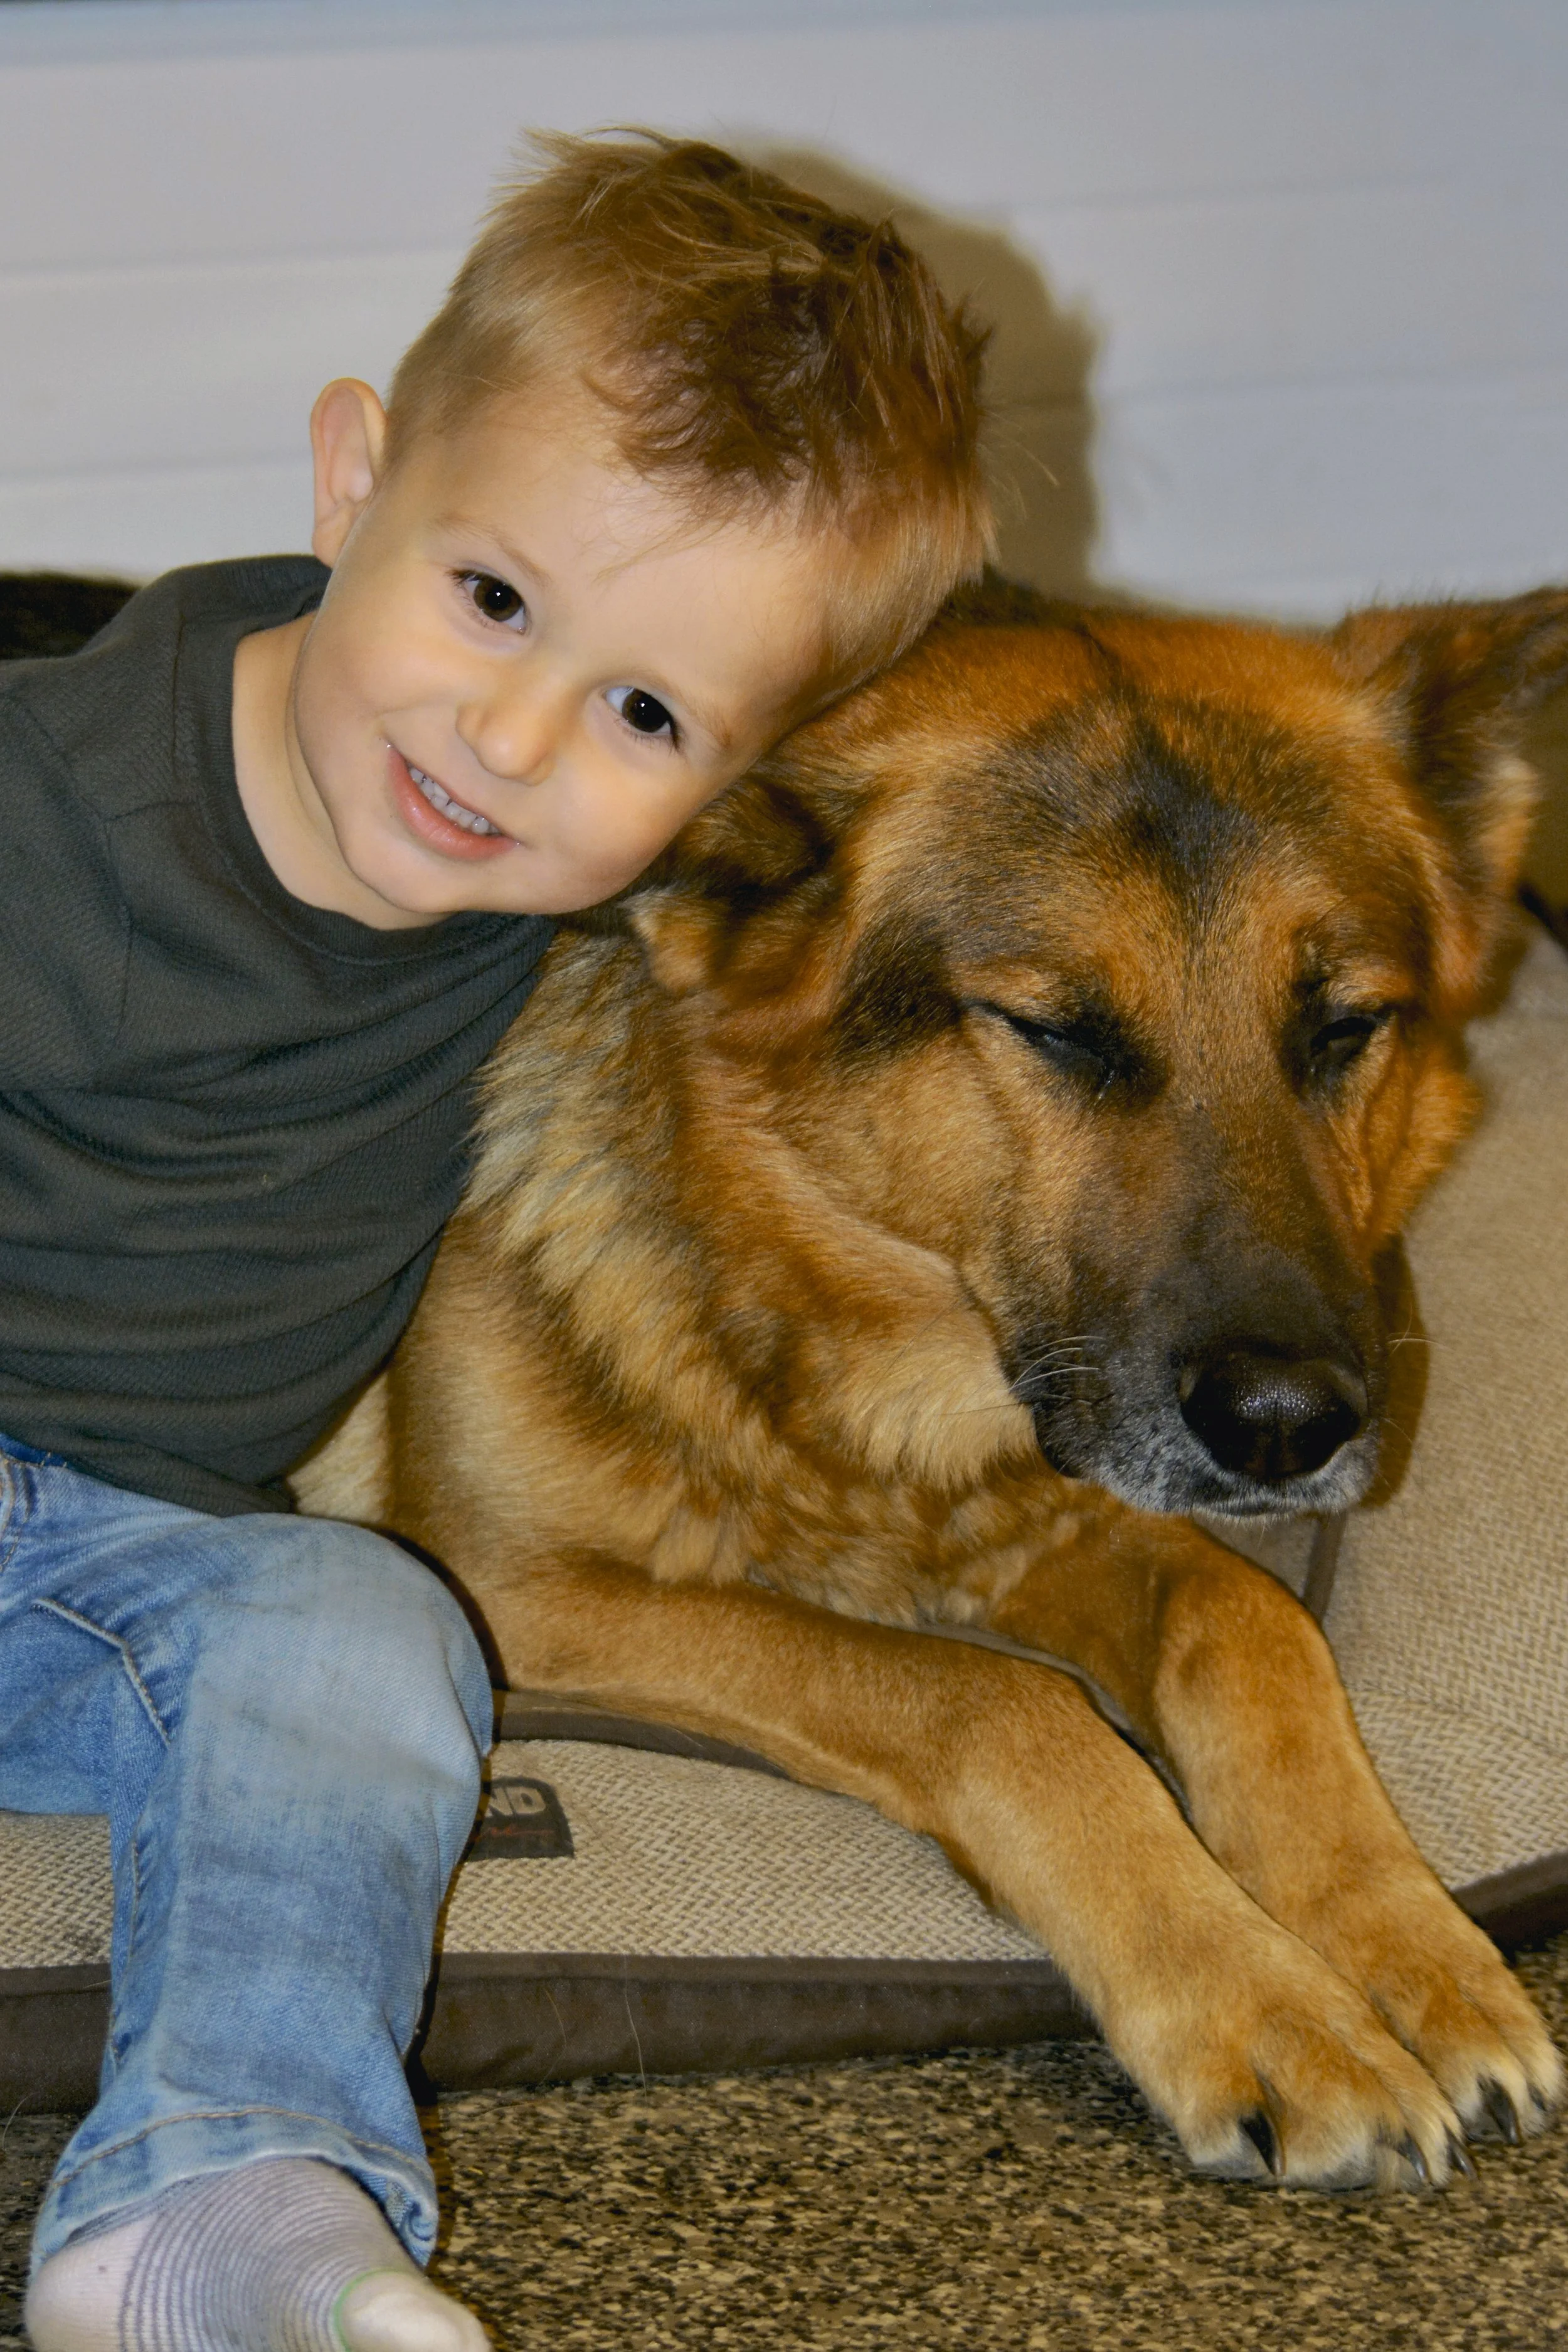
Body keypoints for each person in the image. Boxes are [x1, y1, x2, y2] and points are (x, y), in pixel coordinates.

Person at [4, 132, 993, 2351]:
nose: (516, 737)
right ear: (354, 479)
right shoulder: (52, 817)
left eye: (646, 715)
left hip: (108, 1575)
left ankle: (214, 2214)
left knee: (358, 1627)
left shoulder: (545, 908)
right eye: (491, 599)